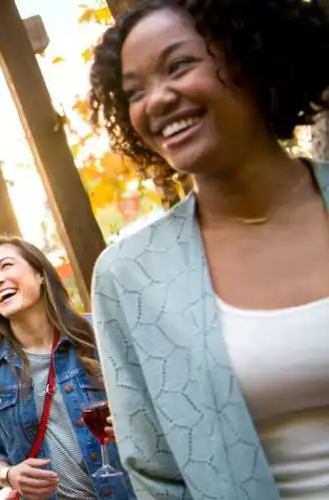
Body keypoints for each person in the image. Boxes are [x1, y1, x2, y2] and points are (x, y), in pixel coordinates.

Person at [87, 0, 329, 498]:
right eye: (134, 92)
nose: (156, 100)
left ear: (251, 56)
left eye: (179, 66)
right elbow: (156, 475)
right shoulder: (128, 278)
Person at [0, 237, 134, 500]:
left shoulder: (98, 334)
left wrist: (130, 423)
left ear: (40, 274)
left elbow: (151, 407)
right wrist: (9, 475)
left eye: (6, 265)